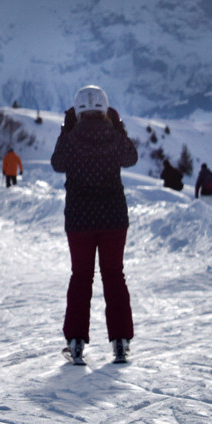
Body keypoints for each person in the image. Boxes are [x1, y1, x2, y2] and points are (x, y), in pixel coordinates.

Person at [50, 84, 139, 364]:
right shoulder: (113, 137)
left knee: (81, 277)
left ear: (77, 111)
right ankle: (120, 342)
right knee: (114, 276)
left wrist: (65, 130)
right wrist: (119, 127)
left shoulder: (71, 138)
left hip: (79, 220)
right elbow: (131, 157)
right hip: (114, 218)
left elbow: (57, 163)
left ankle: (76, 342)